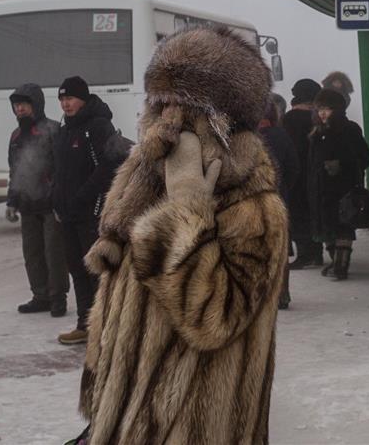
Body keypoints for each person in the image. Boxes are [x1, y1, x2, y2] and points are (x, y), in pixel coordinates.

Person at [76, 27, 287, 443]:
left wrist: (188, 212)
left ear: (225, 121)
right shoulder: (142, 189)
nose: (166, 123)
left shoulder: (256, 209)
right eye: (159, 106)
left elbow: (217, 320)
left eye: (183, 108)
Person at [52, 76, 116, 345]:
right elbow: (59, 171)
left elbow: (108, 167)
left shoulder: (97, 127)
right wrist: (55, 199)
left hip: (91, 212)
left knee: (96, 271)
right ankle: (85, 325)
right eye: (62, 99)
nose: (66, 104)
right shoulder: (66, 130)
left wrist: (84, 197)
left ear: (83, 98)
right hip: (67, 214)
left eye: (70, 98)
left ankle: (105, 326)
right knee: (77, 269)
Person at [6, 83, 69, 316]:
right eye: (16, 106)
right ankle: (40, 295)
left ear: (36, 105)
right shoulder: (15, 136)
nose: (20, 109)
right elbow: (15, 170)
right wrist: (12, 201)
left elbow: (63, 169)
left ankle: (58, 297)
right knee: (32, 254)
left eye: (24, 105)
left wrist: (60, 199)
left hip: (50, 204)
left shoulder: (53, 130)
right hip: (27, 204)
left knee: (54, 254)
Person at [308, 88, 369, 280]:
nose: (323, 113)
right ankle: (336, 262)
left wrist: (341, 164)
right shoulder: (317, 133)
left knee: (344, 226)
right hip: (322, 189)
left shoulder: (350, 129)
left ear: (337, 109)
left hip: (344, 188)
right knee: (328, 227)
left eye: (327, 109)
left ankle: (341, 266)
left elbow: (364, 157)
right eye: (320, 109)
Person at [258, 95, 299, 310]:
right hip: (278, 199)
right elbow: (293, 166)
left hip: (253, 202)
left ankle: (262, 295)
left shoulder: (246, 137)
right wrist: (283, 188)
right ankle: (282, 293)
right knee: (279, 248)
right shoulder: (281, 135)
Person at [284, 78, 324, 269]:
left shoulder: (289, 118)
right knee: (315, 211)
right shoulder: (319, 117)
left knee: (298, 213)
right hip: (316, 171)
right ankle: (317, 253)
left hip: (297, 174)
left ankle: (304, 255)